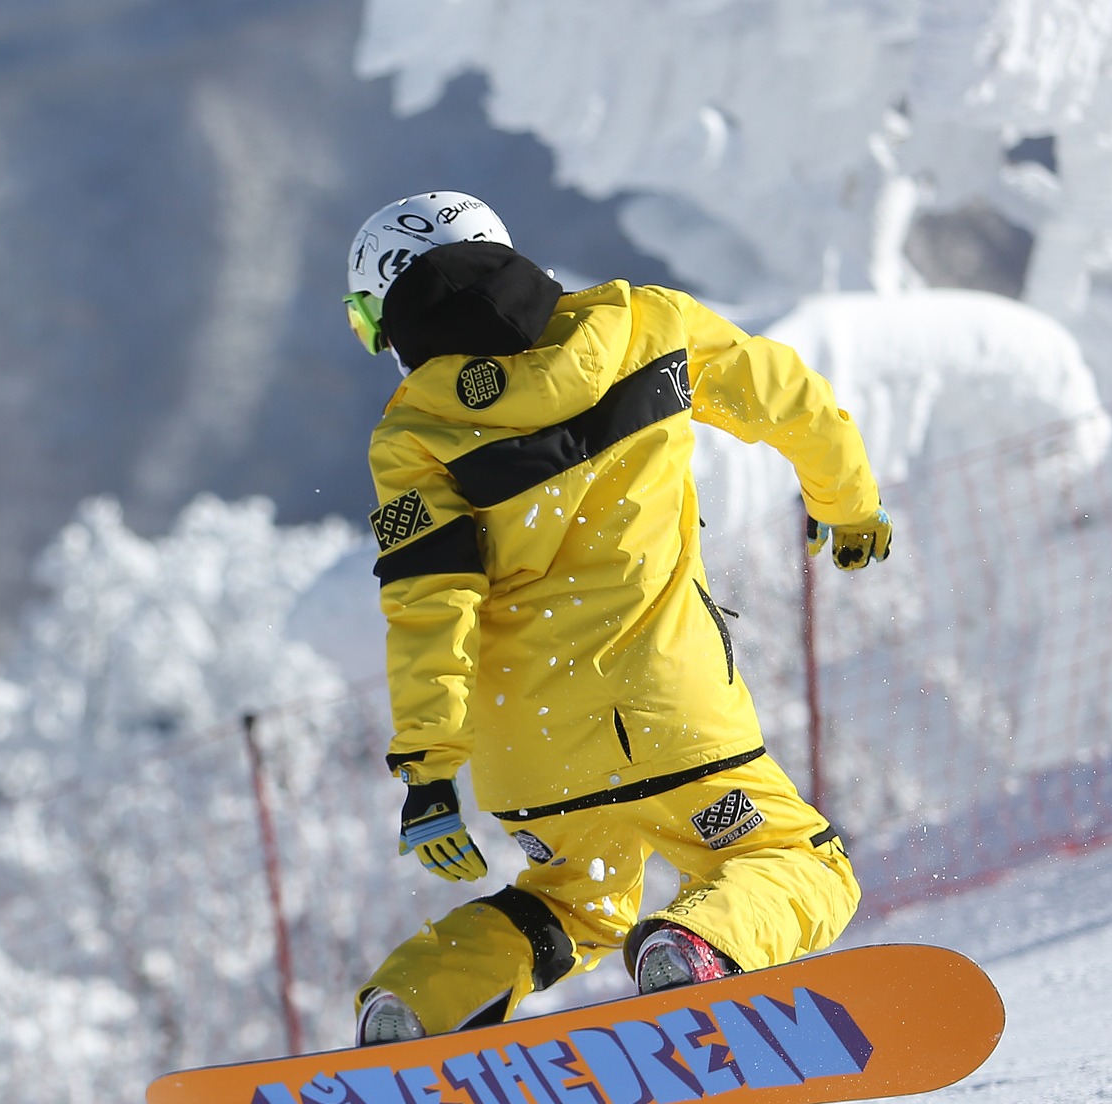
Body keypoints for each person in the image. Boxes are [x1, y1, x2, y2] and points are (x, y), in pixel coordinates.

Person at [341, 192, 892, 1046]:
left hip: (531, 753)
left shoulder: (412, 433)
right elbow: (791, 400)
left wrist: (428, 770)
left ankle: (418, 1003)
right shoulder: (646, 324)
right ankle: (697, 951)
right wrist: (849, 507)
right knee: (800, 861)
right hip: (671, 717)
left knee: (573, 901)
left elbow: (428, 603)